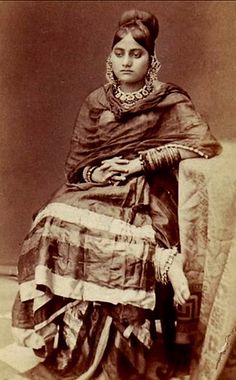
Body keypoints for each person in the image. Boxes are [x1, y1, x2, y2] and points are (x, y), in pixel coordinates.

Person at [12, 9, 221, 380]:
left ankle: (161, 263)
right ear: (110, 58)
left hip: (145, 189)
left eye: (136, 54)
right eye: (120, 53)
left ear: (151, 60)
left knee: (130, 236)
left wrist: (142, 163)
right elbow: (76, 163)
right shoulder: (96, 101)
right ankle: (74, 337)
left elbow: (202, 143)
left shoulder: (167, 99)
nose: (127, 61)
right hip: (95, 186)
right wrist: (97, 170)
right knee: (50, 222)